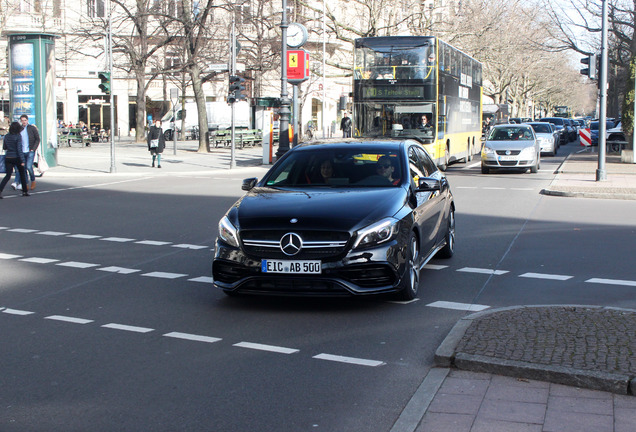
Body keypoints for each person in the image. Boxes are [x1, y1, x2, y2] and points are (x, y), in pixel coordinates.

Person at [0, 121, 30, 198]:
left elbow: (4, 147)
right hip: (16, 157)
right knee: (22, 173)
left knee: (8, 175)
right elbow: (19, 149)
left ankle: (0, 190)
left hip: (8, 157)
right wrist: (22, 160)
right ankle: (24, 191)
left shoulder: (6, 136)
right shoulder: (18, 136)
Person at [13, 115, 40, 191]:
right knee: (23, 168)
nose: (24, 122)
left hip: (30, 150)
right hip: (22, 151)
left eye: (25, 120)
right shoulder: (20, 129)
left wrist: (33, 149)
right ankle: (26, 184)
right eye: (22, 120)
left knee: (28, 166)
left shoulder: (32, 128)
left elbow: (37, 139)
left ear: (27, 120)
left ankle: (33, 180)